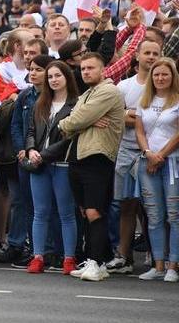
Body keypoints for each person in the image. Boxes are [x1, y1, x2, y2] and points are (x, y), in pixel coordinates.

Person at [58, 52, 125, 282]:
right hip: (78, 156)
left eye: (91, 68)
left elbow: (70, 121)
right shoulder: (87, 93)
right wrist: (80, 122)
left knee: (94, 211)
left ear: (103, 70)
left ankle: (96, 263)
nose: (86, 72)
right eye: (83, 68)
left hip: (97, 158)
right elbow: (69, 123)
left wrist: (78, 122)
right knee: (85, 212)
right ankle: (99, 261)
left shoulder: (108, 91)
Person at [107, 39, 161, 275]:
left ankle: (158, 256)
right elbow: (116, 117)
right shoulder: (124, 86)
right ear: (137, 55)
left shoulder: (165, 84)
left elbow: (163, 119)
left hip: (157, 153)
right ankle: (124, 256)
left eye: (155, 53)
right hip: (127, 151)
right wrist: (140, 115)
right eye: (146, 52)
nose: (151, 56)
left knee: (155, 209)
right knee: (126, 205)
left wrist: (133, 114)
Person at [24, 60, 79, 275]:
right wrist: (30, 151)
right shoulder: (41, 102)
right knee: (40, 213)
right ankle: (38, 257)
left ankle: (69, 258)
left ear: (67, 78)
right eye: (50, 77)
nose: (54, 80)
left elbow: (69, 138)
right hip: (38, 165)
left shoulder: (76, 104)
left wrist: (42, 155)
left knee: (66, 213)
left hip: (62, 164)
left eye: (58, 76)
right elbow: (30, 131)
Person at [134, 58, 179, 282]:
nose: (160, 78)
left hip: (172, 164)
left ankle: (173, 265)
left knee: (174, 215)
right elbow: (140, 132)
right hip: (147, 162)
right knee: (154, 216)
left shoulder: (178, 100)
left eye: (165, 74)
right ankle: (158, 265)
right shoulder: (144, 101)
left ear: (173, 77)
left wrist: (161, 155)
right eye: (156, 75)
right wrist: (149, 153)